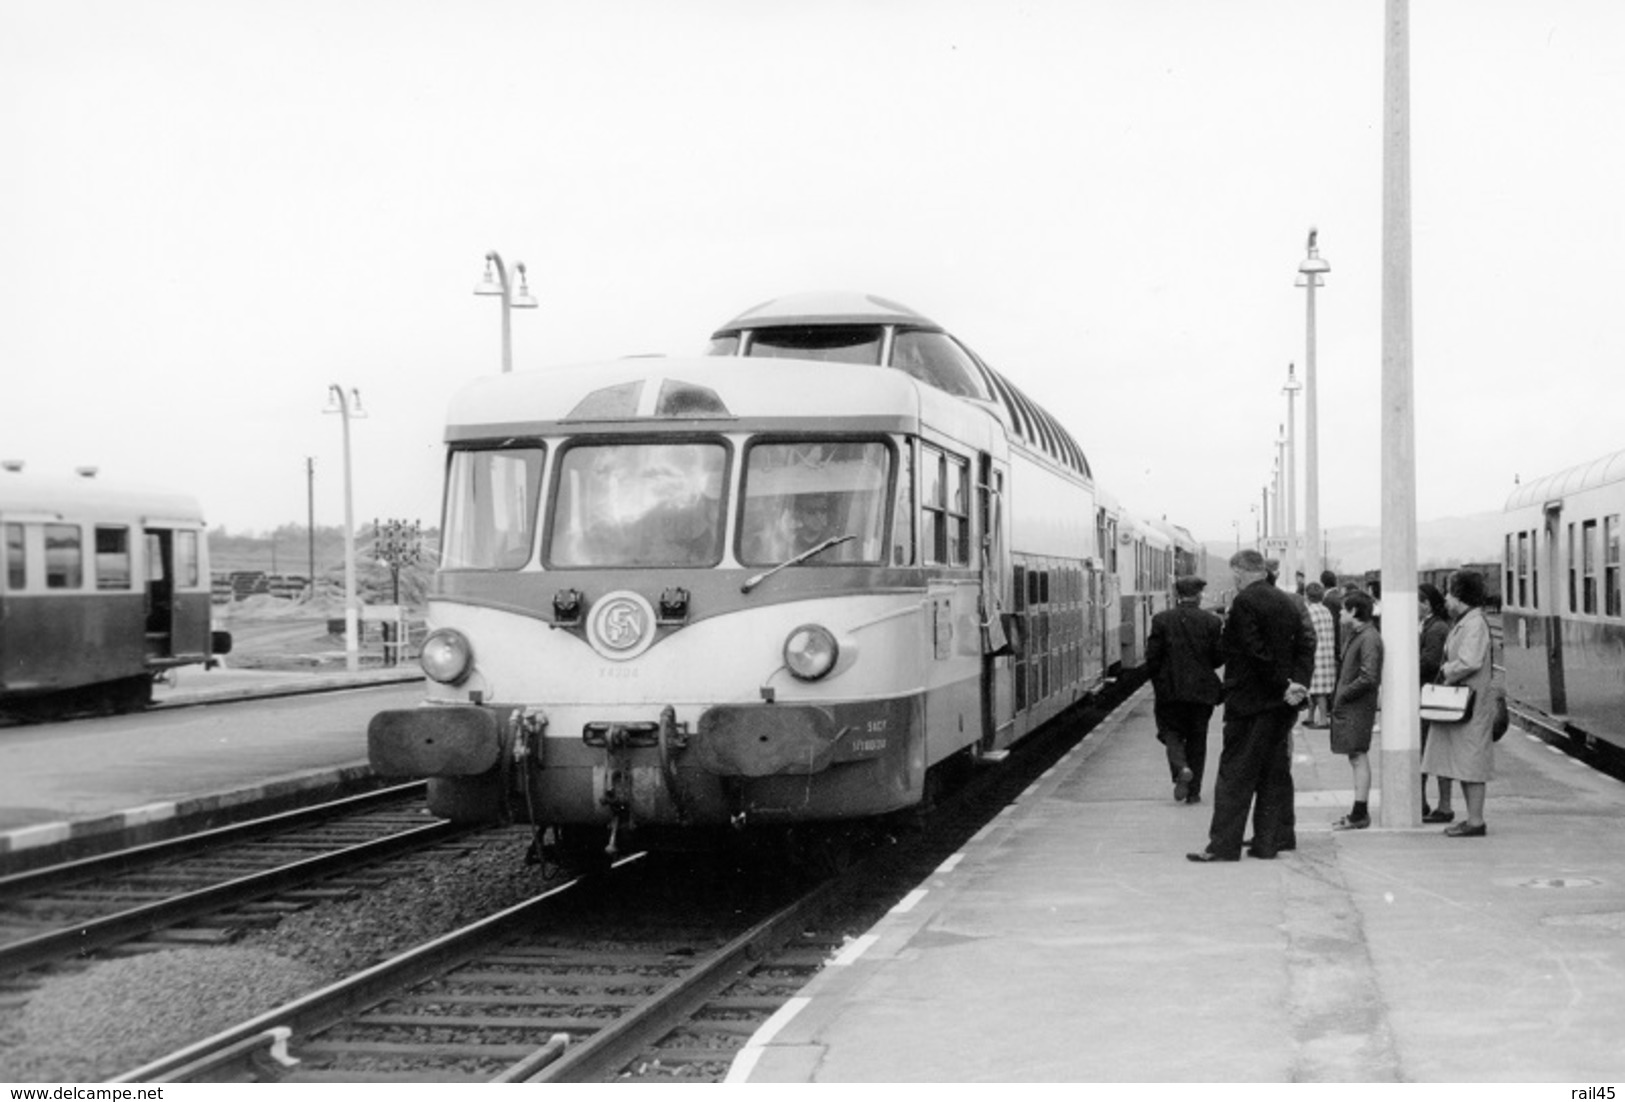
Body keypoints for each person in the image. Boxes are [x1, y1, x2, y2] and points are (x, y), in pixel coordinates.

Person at [1188, 549, 1315, 863]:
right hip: (1281, 706)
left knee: (1235, 775)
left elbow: (1252, 651)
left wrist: (1281, 684)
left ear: (1239, 572)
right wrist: (1296, 685)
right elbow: (1304, 645)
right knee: (1273, 775)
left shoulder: (1244, 603)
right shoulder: (1288, 601)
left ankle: (1223, 845)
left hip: (1249, 704)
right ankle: (1269, 842)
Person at [1419, 571, 1496, 836]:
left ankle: (1476, 821)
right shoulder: (1466, 621)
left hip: (1471, 702)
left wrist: (1446, 671)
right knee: (1465, 761)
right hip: (1465, 702)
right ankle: (1472, 819)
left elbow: (1470, 661)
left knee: (1472, 762)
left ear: (1461, 595)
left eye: (1450, 593)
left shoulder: (1474, 624)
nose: (1447, 600)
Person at [1144, 575, 1225, 804]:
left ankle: (1181, 767)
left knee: (1170, 732)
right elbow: (1218, 658)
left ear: (1177, 596)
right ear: (1199, 596)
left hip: (1170, 690)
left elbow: (1152, 657)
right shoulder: (1212, 622)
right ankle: (1194, 793)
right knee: (1198, 740)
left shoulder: (1161, 620)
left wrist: (1159, 681)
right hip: (1202, 692)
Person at [1329, 591, 1384, 829]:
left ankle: (1360, 812)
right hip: (1354, 706)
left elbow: (1369, 676)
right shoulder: (1361, 635)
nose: (1340, 613)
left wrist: (1343, 694)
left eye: (1343, 609)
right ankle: (1358, 811)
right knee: (1356, 755)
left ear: (1353, 611)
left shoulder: (1368, 638)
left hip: (1357, 707)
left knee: (1358, 755)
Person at [1417, 582, 1452, 820]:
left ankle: (1443, 806)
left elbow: (1430, 662)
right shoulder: (1430, 625)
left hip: (1432, 694)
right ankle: (1424, 802)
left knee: (1432, 750)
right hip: (1428, 694)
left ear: (1426, 604)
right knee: (1429, 750)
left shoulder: (1436, 629)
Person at [1304, 581, 1337, 728]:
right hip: (1327, 653)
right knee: (1317, 689)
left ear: (1307, 596)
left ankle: (1323, 719)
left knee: (1317, 690)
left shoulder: (1309, 612)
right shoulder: (1326, 611)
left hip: (1315, 653)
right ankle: (1311, 716)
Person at [1319, 569, 1344, 660]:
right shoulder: (1339, 596)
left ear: (1322, 583)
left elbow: (1331, 624)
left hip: (1335, 644)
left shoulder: (1328, 600)